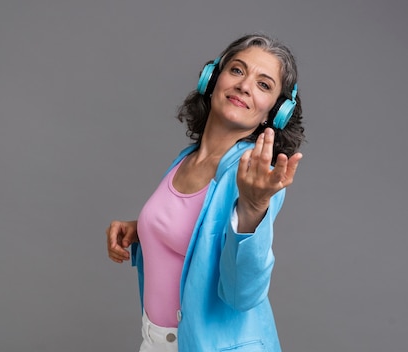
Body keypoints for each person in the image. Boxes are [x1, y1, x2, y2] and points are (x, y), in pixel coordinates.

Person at [106, 33, 305, 352]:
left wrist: (253, 209)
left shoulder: (256, 177)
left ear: (275, 111)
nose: (244, 85)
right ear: (212, 79)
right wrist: (144, 228)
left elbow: (243, 293)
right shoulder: (186, 159)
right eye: (237, 70)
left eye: (264, 85)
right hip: (157, 342)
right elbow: (193, 230)